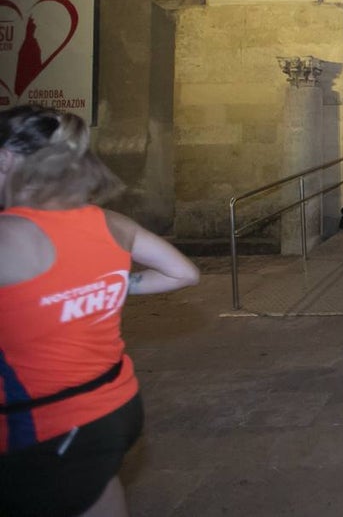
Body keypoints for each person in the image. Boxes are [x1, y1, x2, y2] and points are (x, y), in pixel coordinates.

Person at [0, 105, 200, 517]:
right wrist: (103, 286)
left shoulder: (11, 236)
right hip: (115, 407)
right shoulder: (110, 222)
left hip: (42, 422)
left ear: (7, 159)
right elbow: (183, 273)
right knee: (97, 491)